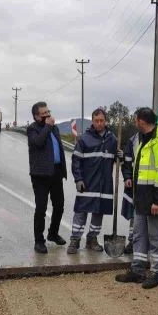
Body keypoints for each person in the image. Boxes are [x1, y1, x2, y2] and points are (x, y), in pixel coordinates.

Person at [115, 107, 158, 289]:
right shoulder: (142, 140)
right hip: (142, 198)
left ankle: (156, 272)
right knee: (139, 234)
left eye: (136, 120)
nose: (135, 123)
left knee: (155, 237)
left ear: (141, 122)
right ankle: (138, 270)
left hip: (155, 200)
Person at [67, 108, 119, 254]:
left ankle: (92, 240)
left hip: (104, 186)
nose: (99, 123)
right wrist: (78, 179)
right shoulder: (84, 139)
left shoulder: (113, 140)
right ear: (92, 121)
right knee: (81, 211)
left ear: (106, 121)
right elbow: (76, 161)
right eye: (96, 121)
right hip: (87, 183)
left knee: (98, 212)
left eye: (102, 120)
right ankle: (74, 240)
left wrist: (119, 156)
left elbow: (117, 159)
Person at [27, 101, 67, 254]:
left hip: (56, 172)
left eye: (48, 112)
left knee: (59, 205)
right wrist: (47, 126)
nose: (48, 115)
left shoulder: (54, 128)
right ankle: (39, 240)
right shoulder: (33, 129)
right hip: (41, 175)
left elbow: (58, 149)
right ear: (37, 116)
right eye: (44, 113)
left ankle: (53, 233)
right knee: (41, 208)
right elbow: (38, 142)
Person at [120, 132, 139, 254]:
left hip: (151, 184)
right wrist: (127, 177)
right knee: (134, 214)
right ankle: (132, 241)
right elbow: (127, 162)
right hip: (135, 182)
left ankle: (143, 241)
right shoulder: (133, 140)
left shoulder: (157, 139)